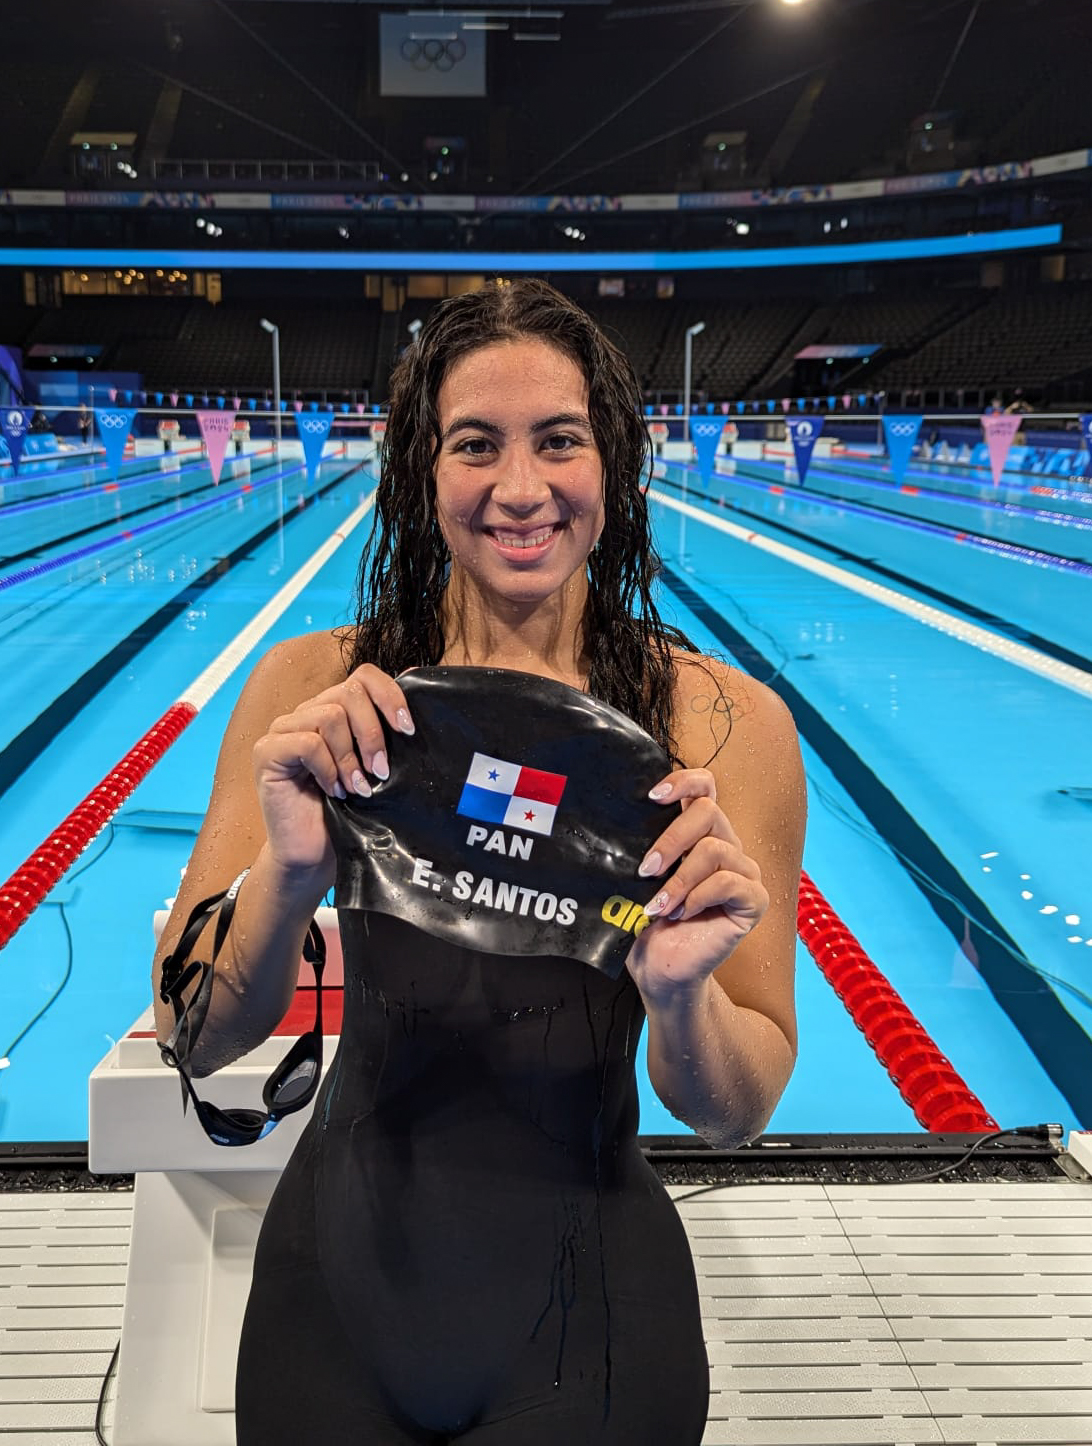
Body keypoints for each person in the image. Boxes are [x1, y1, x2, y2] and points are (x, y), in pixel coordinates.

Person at [151, 279, 806, 1445]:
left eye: (558, 440)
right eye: (474, 445)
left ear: (612, 464)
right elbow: (195, 1034)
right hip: (335, 1297)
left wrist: (678, 996)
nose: (519, 488)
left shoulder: (722, 725)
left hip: (595, 1304)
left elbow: (734, 1111)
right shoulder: (316, 694)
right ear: (420, 474)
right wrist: (289, 876)